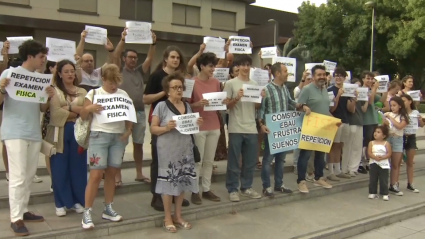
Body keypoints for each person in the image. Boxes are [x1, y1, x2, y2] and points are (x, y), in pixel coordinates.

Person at [0, 40, 54, 236]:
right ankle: (16, 218)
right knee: (18, 175)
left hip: (33, 131)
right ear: (30, 56)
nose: (43, 61)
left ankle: (23, 210)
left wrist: (48, 97)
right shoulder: (9, 74)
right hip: (14, 132)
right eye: (41, 57)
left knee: (29, 174)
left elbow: (41, 108)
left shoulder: (40, 78)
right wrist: (1, 88)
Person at [80, 64, 132, 229]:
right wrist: (89, 108)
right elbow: (82, 114)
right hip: (99, 135)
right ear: (103, 79)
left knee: (112, 173)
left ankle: (108, 207)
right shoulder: (94, 93)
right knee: (95, 175)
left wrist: (128, 130)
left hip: (118, 137)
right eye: (110, 82)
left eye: (116, 82)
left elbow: (129, 114)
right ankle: (87, 212)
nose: (113, 86)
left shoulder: (123, 94)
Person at [151, 73, 203, 233]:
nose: (179, 90)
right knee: (169, 183)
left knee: (182, 182)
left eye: (180, 87)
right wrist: (166, 127)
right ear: (168, 90)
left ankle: (178, 215)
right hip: (167, 150)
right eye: (175, 87)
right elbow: (153, 128)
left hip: (184, 149)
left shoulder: (187, 106)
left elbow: (190, 127)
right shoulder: (161, 106)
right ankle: (167, 217)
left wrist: (197, 122)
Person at [144, 46, 190, 211]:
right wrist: (165, 93)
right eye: (172, 57)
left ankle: (175, 194)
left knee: (178, 162)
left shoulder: (181, 78)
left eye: (178, 57)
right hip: (161, 124)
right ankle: (157, 196)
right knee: (159, 162)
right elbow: (146, 98)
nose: (175, 60)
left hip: (179, 129)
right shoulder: (157, 76)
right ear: (165, 59)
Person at [113, 27, 157, 186]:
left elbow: (150, 60)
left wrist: (153, 43)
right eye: (130, 57)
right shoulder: (118, 70)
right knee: (120, 145)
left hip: (139, 112)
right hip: (123, 114)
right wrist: (122, 39)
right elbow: (115, 54)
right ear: (124, 59)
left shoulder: (139, 71)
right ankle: (117, 176)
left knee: (138, 144)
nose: (133, 60)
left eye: (135, 58)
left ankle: (139, 173)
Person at [258, 62, 309, 197]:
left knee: (281, 159)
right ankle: (266, 186)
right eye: (285, 71)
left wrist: (301, 106)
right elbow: (261, 110)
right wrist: (262, 125)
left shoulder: (285, 88)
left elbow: (291, 102)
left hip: (284, 130)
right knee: (268, 159)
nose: (288, 73)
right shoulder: (267, 89)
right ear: (278, 73)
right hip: (272, 130)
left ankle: (279, 184)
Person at [45, 60, 87, 216]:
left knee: (78, 167)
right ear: (60, 74)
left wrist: (68, 108)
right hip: (59, 131)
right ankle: (60, 202)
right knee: (59, 167)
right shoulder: (53, 90)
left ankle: (78, 200)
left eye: (72, 71)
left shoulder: (82, 92)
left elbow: (86, 112)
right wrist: (76, 112)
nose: (70, 74)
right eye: (66, 71)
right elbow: (55, 113)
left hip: (78, 131)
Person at [223, 54, 263, 202]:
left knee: (250, 160)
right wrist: (237, 98)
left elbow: (257, 106)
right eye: (243, 65)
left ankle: (246, 186)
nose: (245, 68)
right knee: (234, 161)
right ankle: (233, 189)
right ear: (238, 67)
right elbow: (227, 105)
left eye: (248, 65)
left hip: (251, 127)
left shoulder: (254, 83)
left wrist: (261, 97)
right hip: (236, 127)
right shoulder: (231, 84)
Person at [189, 53, 223, 204]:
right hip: (199, 126)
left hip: (214, 125)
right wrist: (197, 104)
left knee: (209, 161)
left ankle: (206, 189)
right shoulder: (192, 82)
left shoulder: (216, 82)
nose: (213, 69)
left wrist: (225, 101)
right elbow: (185, 105)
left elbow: (219, 102)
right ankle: (194, 191)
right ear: (201, 66)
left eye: (214, 66)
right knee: (198, 160)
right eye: (210, 66)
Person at [296, 65, 334, 193]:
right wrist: (305, 107)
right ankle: (301, 181)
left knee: (320, 155)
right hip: (309, 127)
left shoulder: (325, 89)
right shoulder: (307, 89)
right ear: (313, 77)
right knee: (305, 155)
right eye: (319, 75)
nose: (322, 77)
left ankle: (319, 177)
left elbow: (324, 108)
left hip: (323, 127)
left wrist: (333, 120)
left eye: (323, 74)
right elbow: (298, 106)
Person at [327, 67, 354, 181]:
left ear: (344, 78)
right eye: (336, 75)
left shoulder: (347, 90)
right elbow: (331, 109)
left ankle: (338, 170)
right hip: (335, 121)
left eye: (341, 76)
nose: (338, 77)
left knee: (340, 146)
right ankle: (331, 171)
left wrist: (354, 99)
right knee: (333, 146)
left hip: (345, 120)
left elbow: (351, 109)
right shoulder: (330, 89)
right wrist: (338, 95)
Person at [359, 71, 388, 174]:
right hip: (366, 120)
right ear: (363, 79)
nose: (370, 81)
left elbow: (381, 101)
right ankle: (361, 163)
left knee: (371, 142)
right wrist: (374, 89)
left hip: (374, 119)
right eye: (368, 78)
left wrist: (385, 91)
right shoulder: (361, 90)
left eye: (372, 79)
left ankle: (367, 161)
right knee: (365, 142)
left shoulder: (372, 90)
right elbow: (370, 101)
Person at [343, 78, 368, 176]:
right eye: (356, 86)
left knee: (357, 147)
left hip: (359, 122)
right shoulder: (348, 96)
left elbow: (364, 110)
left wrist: (366, 99)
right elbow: (351, 110)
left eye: (359, 86)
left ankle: (354, 168)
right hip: (351, 122)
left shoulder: (361, 96)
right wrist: (354, 99)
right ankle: (346, 168)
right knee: (349, 146)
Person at [384, 96, 408, 196]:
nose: (392, 107)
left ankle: (394, 184)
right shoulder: (387, 114)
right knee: (386, 163)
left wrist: (390, 118)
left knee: (395, 164)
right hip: (388, 138)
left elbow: (400, 126)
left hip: (398, 139)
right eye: (391, 105)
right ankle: (384, 184)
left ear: (400, 106)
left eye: (394, 105)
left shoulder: (403, 116)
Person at [400, 94, 423, 193]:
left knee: (410, 162)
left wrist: (420, 120)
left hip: (411, 137)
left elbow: (421, 125)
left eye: (404, 101)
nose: (403, 103)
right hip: (401, 136)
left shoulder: (415, 112)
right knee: (397, 162)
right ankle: (394, 183)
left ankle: (410, 183)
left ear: (410, 101)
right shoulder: (400, 112)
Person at [368, 125, 392, 201]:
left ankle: (384, 193)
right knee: (373, 178)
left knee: (383, 178)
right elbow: (369, 152)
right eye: (375, 131)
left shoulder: (386, 143)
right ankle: (372, 192)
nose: (375, 133)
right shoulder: (371, 143)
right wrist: (374, 157)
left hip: (383, 163)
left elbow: (389, 153)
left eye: (378, 132)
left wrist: (383, 157)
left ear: (383, 135)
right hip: (373, 162)